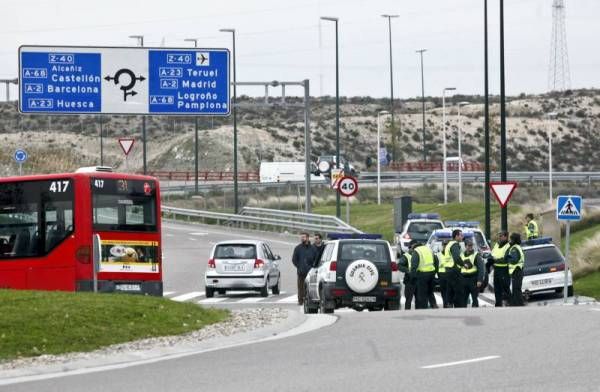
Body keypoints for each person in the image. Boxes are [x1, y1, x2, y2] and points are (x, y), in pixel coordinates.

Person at [410, 240, 439, 310]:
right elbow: (436, 261)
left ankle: (424, 309)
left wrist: (413, 277)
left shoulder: (417, 251)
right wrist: (434, 271)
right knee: (430, 292)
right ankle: (434, 305)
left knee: (422, 294)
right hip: (432, 274)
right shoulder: (429, 249)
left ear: (415, 247)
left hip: (422, 275)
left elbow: (414, 266)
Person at [292, 232, 318, 305]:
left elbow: (316, 259)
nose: (302, 238)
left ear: (307, 238)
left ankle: (310, 300)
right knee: (300, 287)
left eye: (303, 237)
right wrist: (299, 266)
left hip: (311, 272)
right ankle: (300, 301)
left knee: (310, 286)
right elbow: (294, 260)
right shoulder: (297, 248)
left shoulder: (313, 248)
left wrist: (313, 267)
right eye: (301, 237)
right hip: (301, 271)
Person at [443, 229, 466, 308]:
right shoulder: (454, 244)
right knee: (458, 290)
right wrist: (464, 264)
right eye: (461, 235)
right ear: (456, 236)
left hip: (448, 270)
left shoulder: (449, 244)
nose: (462, 237)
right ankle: (458, 307)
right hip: (454, 270)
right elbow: (456, 258)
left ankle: (449, 304)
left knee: (450, 289)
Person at [489, 231, 511, 307]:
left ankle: (510, 303)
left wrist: (495, 260)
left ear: (506, 237)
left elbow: (505, 259)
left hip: (504, 270)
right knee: (497, 288)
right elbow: (491, 254)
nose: (499, 237)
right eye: (499, 236)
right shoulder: (496, 245)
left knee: (505, 288)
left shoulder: (508, 246)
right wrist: (490, 259)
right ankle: (498, 304)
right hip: (496, 270)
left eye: (501, 236)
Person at [461, 240, 485, 307]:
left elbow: (481, 268)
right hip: (464, 279)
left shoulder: (476, 255)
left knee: (474, 298)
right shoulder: (462, 255)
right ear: (465, 246)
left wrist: (479, 280)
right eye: (469, 245)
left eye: (471, 245)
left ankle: (475, 312)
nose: (470, 247)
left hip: (473, 279)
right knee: (463, 299)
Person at [506, 232, 525, 306]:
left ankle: (518, 304)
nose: (510, 241)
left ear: (514, 240)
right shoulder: (518, 247)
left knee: (516, 289)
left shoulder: (514, 248)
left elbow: (514, 260)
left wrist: (508, 257)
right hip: (518, 271)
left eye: (511, 239)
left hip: (516, 271)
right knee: (517, 289)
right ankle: (517, 304)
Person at [397, 244, 416, 310]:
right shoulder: (406, 256)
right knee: (408, 300)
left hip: (419, 280)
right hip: (409, 281)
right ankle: (407, 313)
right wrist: (407, 270)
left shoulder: (419, 254)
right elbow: (399, 266)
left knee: (420, 300)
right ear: (409, 248)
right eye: (412, 248)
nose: (413, 250)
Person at [438, 239, 453, 308]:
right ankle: (445, 304)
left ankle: (450, 303)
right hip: (441, 275)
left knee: (450, 291)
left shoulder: (452, 254)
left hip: (450, 274)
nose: (445, 246)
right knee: (443, 291)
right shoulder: (438, 254)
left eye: (446, 245)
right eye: (444, 245)